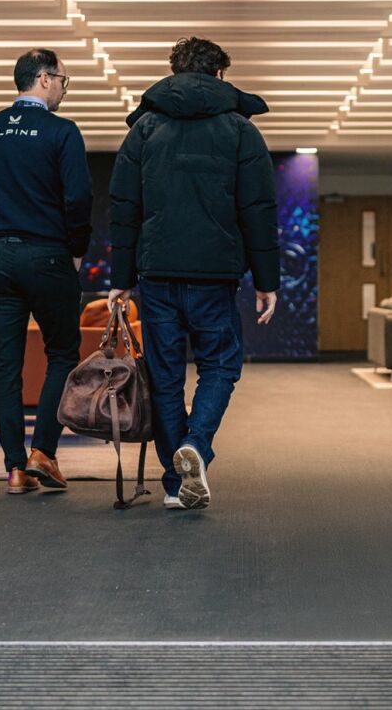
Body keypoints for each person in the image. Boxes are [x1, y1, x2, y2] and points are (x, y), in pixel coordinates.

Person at [107, 37, 280, 511]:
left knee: (164, 377)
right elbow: (258, 210)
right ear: (219, 75)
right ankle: (195, 444)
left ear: (175, 72)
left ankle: (173, 483)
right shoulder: (240, 131)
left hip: (157, 274)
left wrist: (121, 278)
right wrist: (267, 281)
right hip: (214, 275)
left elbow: (124, 208)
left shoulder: (144, 130)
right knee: (220, 365)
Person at [0, 48, 91, 496]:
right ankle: (43, 453)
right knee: (63, 353)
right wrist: (76, 249)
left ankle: (15, 468)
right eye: (64, 81)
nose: (65, 90)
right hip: (48, 255)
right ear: (45, 79)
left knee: (5, 364)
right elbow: (78, 199)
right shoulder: (61, 131)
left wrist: (6, 199)